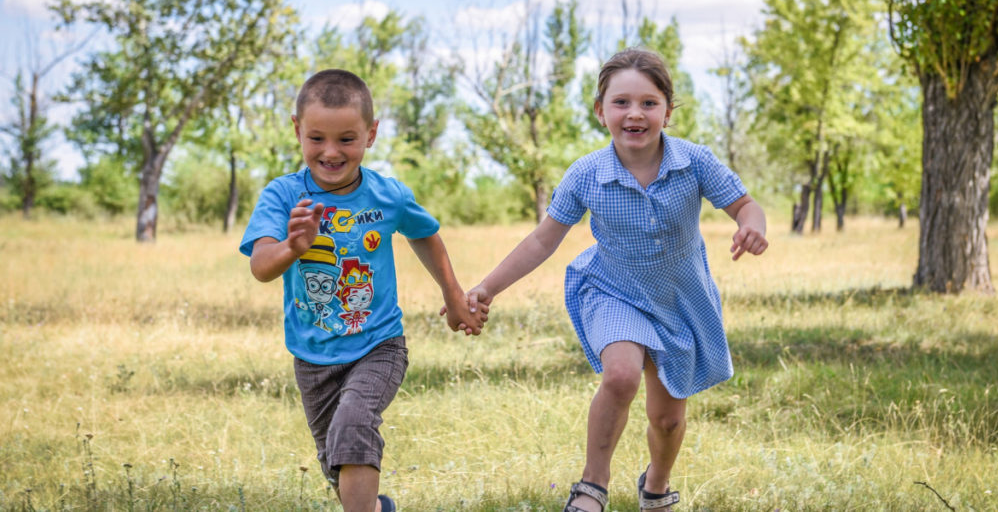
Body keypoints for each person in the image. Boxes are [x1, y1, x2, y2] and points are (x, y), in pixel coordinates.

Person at [461, 48, 768, 512]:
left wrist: (753, 225)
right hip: (613, 291)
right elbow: (543, 241)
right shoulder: (587, 173)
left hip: (679, 301)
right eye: (621, 102)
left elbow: (745, 204)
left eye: (649, 102)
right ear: (601, 110)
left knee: (666, 420)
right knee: (621, 375)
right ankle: (592, 488)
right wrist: (486, 288)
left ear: (667, 109)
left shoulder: (694, 161)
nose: (635, 114)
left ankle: (657, 487)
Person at [240, 69, 486, 512]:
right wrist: (293, 246)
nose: (330, 152)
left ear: (371, 134)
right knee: (336, 458)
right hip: (312, 356)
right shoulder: (282, 196)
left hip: (379, 344)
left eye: (346, 140)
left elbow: (425, 234)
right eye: (316, 138)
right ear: (297, 130)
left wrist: (453, 296)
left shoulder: (386, 195)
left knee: (353, 423)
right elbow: (260, 266)